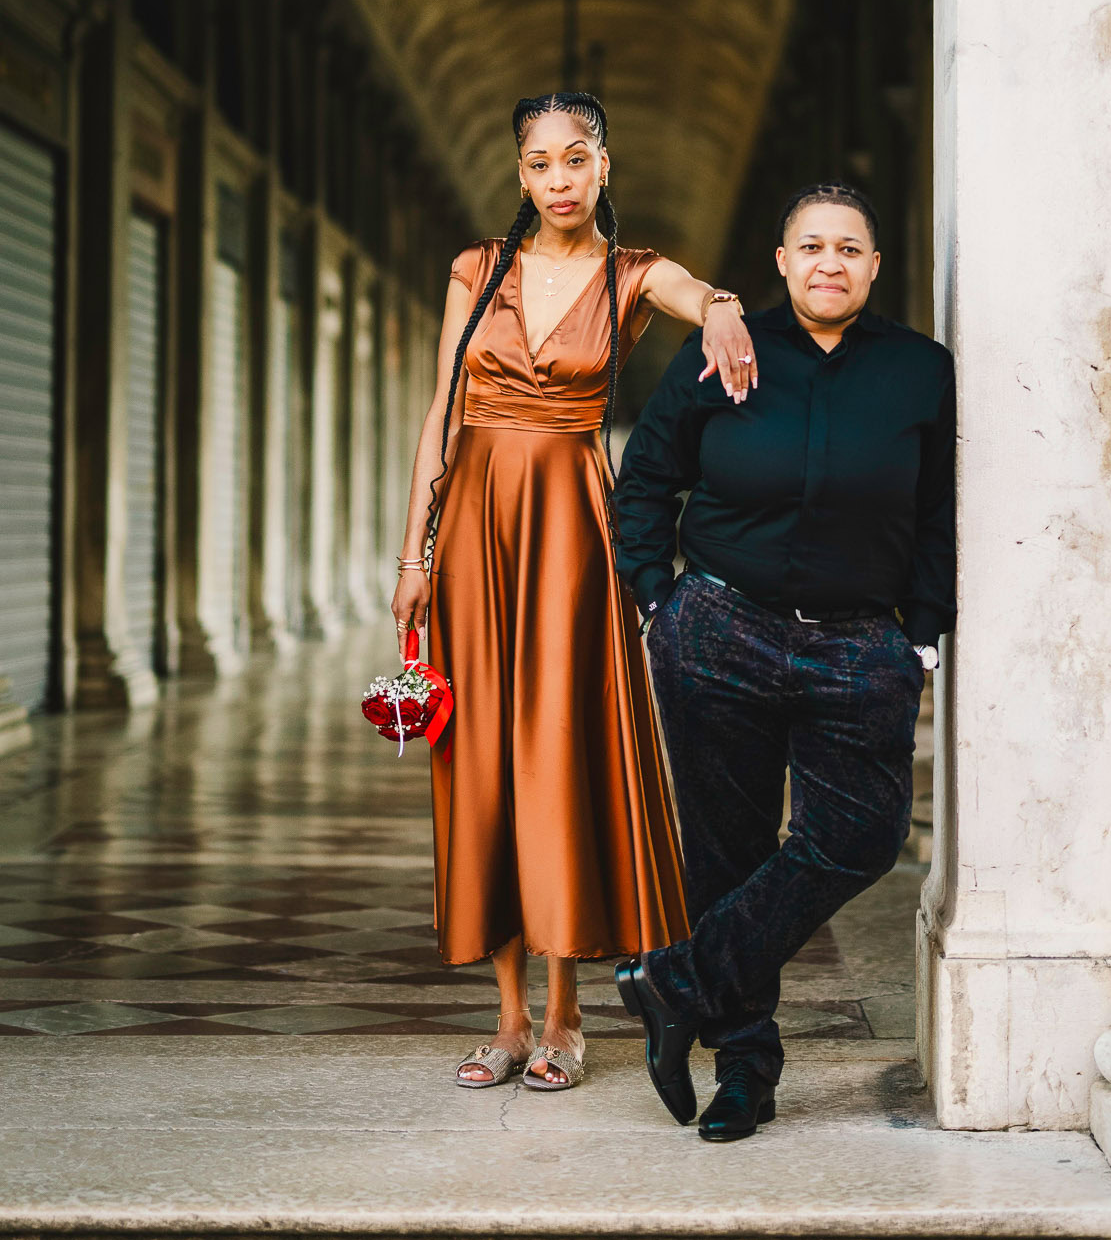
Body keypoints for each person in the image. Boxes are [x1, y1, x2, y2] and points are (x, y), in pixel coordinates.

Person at [391, 90, 758, 1094]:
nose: (557, 179)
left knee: (556, 752)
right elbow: (442, 412)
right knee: (481, 756)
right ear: (521, 176)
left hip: (568, 526)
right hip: (472, 527)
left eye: (575, 159)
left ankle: (565, 1015)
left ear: (603, 166)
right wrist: (411, 557)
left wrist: (722, 309)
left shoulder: (631, 273)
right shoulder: (477, 269)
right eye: (539, 163)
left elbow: (693, 291)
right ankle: (505, 1018)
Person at [612, 183, 956, 1140]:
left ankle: (675, 981)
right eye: (811, 246)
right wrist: (656, 597)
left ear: (876, 266)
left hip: (858, 641)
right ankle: (745, 1076)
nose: (830, 263)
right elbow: (646, 479)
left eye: (850, 248)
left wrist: (922, 628)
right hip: (719, 627)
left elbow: (935, 509)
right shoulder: (725, 350)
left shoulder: (920, 370)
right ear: (781, 260)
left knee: (859, 836)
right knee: (728, 854)